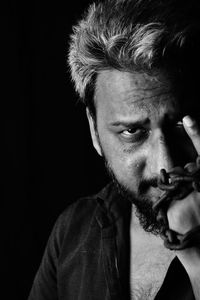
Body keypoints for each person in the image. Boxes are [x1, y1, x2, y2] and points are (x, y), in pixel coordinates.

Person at [28, 0, 200, 299]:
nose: (165, 164)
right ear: (95, 132)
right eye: (132, 131)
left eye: (179, 126)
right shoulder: (73, 232)